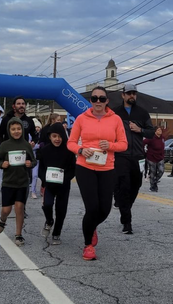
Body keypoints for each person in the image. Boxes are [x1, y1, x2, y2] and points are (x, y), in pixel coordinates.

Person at [67, 86, 127, 261]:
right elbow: (70, 142)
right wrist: (80, 150)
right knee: (92, 207)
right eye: (95, 98)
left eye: (102, 98)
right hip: (85, 167)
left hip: (106, 167)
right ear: (90, 101)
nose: (98, 102)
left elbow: (123, 144)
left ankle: (91, 225)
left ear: (107, 101)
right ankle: (88, 245)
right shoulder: (81, 118)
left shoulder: (115, 119)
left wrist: (111, 146)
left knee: (105, 209)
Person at [113, 83, 154, 234]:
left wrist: (140, 129)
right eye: (129, 93)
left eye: (134, 94)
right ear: (123, 95)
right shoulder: (114, 113)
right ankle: (127, 222)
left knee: (135, 186)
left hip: (137, 155)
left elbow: (151, 132)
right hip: (121, 155)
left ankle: (125, 207)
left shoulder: (142, 113)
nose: (132, 96)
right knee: (124, 187)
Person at [0, 117, 37, 246]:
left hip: (22, 182)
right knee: (6, 209)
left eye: (18, 129)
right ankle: (2, 219)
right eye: (13, 129)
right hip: (8, 182)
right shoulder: (5, 145)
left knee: (19, 208)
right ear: (9, 130)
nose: (16, 131)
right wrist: (2, 164)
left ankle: (18, 235)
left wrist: (30, 163)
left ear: (22, 130)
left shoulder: (26, 145)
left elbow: (33, 160)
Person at [38, 122, 76, 245]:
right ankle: (49, 221)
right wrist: (45, 179)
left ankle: (56, 233)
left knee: (61, 210)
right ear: (49, 137)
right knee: (47, 205)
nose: (57, 139)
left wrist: (66, 178)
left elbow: (72, 169)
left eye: (59, 136)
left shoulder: (68, 151)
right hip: (49, 184)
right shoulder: (44, 150)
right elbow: (41, 169)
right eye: (54, 136)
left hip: (63, 186)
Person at [143, 126, 165, 193]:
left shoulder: (162, 138)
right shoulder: (151, 138)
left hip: (160, 157)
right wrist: (144, 152)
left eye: (160, 130)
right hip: (151, 157)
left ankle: (155, 180)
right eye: (158, 130)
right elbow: (143, 143)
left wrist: (162, 155)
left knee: (161, 170)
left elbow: (162, 147)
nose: (160, 131)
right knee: (153, 172)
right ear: (155, 131)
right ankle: (152, 187)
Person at [30, 118, 42, 199]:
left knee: (35, 175)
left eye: (38, 127)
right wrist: (38, 146)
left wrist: (38, 146)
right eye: (35, 127)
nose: (37, 128)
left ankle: (33, 191)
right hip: (29, 157)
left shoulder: (42, 135)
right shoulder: (29, 135)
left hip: (37, 158)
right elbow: (29, 146)